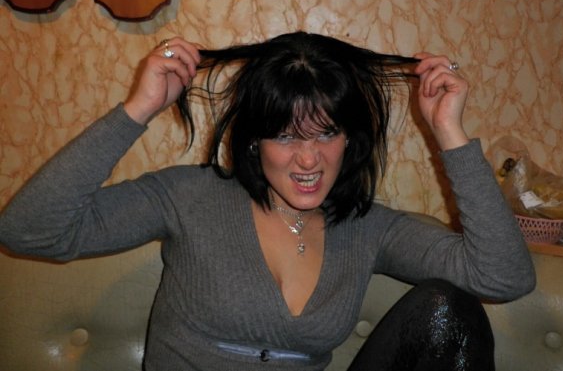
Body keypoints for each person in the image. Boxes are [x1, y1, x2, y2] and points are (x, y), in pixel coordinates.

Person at [0, 31, 535, 370]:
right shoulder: (188, 195)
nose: (308, 159)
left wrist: (449, 133)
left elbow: (503, 277)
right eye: (285, 135)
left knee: (448, 309)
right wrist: (137, 110)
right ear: (254, 141)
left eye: (326, 133)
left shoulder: (370, 227)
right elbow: (29, 231)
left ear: (351, 140)